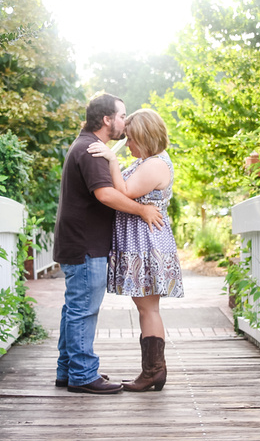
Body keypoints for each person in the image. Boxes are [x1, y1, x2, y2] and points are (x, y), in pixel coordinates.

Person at [53, 93, 164, 395]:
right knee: (83, 310)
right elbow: (106, 195)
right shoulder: (92, 150)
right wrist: (143, 210)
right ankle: (82, 374)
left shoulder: (87, 146)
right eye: (121, 116)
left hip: (80, 241)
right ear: (106, 120)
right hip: (85, 243)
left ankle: (69, 370)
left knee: (74, 309)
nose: (125, 122)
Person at [87, 108, 183, 392]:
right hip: (142, 242)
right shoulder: (149, 161)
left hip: (148, 244)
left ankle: (154, 371)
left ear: (145, 137)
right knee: (146, 307)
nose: (127, 144)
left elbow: (126, 191)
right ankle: (153, 370)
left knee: (148, 308)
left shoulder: (155, 165)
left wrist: (112, 159)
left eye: (131, 139)